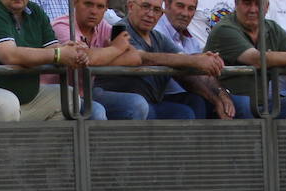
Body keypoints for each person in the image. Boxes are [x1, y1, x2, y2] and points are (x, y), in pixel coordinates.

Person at [0, 0, 90, 120]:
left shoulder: (35, 11)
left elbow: (52, 48)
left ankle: (41, 149)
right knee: (6, 104)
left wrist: (73, 51)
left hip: (26, 96)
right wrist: (59, 54)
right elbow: (10, 56)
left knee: (69, 98)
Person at [97, 0, 227, 120]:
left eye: (157, 10)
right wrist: (196, 60)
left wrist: (216, 97)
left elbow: (181, 61)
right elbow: (140, 58)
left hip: (152, 101)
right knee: (180, 113)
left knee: (196, 101)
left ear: (161, 14)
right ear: (130, 6)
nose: (150, 14)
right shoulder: (119, 29)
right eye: (145, 6)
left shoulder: (158, 37)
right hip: (125, 101)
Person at [205, 0, 286, 118]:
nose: (253, 10)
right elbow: (257, 59)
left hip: (262, 105)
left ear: (267, 7)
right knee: (243, 103)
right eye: (247, 3)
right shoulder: (224, 29)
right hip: (225, 99)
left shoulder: (272, 28)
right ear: (236, 4)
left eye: (258, 4)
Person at [51, 0, 143, 120]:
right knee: (96, 111)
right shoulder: (62, 25)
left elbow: (134, 57)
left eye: (100, 6)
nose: (94, 11)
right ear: (75, 3)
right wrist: (115, 49)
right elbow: (79, 57)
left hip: (87, 92)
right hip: (59, 94)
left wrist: (99, 57)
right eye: (88, 4)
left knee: (137, 104)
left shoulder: (102, 25)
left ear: (106, 9)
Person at [153, 0, 238, 117]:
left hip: (187, 95)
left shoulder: (191, 40)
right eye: (180, 6)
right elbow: (185, 75)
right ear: (167, 5)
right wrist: (216, 99)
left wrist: (222, 94)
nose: (185, 13)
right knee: (196, 103)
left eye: (191, 9)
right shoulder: (157, 31)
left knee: (239, 104)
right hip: (164, 97)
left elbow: (205, 75)